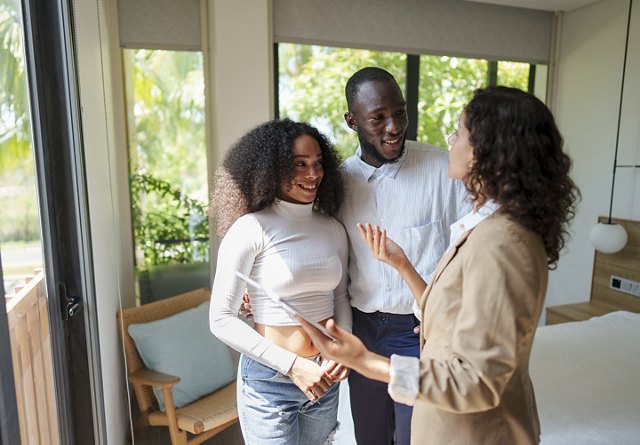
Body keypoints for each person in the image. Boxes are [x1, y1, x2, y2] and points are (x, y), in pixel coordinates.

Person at [300, 86, 580, 444]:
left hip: (475, 432)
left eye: (459, 133)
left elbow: (475, 381)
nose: (450, 142)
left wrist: (368, 363)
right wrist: (401, 264)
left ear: (487, 152)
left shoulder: (503, 243)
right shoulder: (489, 228)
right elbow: (450, 308)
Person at [338, 67, 471, 445]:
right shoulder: (337, 183)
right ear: (352, 121)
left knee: (419, 436)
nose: (394, 126)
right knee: (370, 436)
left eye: (400, 112)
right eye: (378, 118)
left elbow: (468, 254)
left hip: (418, 332)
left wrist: (447, 320)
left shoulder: (444, 169)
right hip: (362, 330)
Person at [209, 118, 351, 445]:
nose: (312, 174)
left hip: (324, 377)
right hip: (271, 381)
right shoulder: (250, 229)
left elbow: (340, 298)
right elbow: (220, 319)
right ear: (272, 169)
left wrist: (341, 351)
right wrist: (292, 366)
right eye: (299, 165)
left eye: (317, 164)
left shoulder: (332, 229)